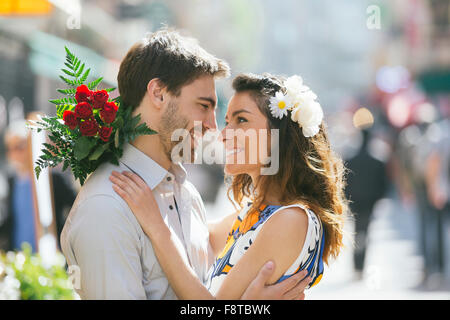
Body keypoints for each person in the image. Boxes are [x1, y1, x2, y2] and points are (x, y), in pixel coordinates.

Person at [60, 29, 311, 300]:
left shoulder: (186, 194)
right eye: (203, 106)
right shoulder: (106, 206)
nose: (214, 127)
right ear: (158, 94)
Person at [110, 73, 348, 299]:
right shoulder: (259, 212)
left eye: (241, 120)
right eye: (227, 121)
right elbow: (198, 237)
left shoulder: (291, 219)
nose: (224, 135)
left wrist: (157, 226)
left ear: (279, 134)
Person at [0, 120, 76, 252]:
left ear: (31, 146)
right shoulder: (12, 181)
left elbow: (75, 209)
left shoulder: (53, 179)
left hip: (51, 256)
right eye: (10, 148)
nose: (14, 153)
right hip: (20, 257)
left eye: (19, 146)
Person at [345, 128, 388, 279]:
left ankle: (357, 265)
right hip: (369, 202)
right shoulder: (377, 161)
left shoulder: (351, 160)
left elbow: (345, 183)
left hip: (355, 201)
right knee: (365, 231)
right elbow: (383, 184)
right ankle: (360, 265)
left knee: (358, 231)